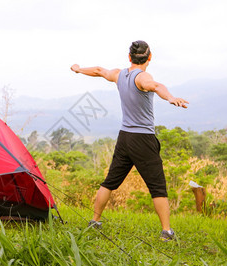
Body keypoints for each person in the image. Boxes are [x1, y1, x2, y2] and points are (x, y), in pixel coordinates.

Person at [70, 40, 188, 241]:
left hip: (124, 137)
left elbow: (99, 70)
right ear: (149, 57)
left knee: (110, 182)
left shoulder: (119, 74)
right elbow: (155, 85)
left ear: (129, 57)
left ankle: (95, 221)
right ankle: (167, 232)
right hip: (143, 139)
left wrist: (79, 69)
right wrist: (170, 98)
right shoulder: (143, 77)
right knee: (158, 187)